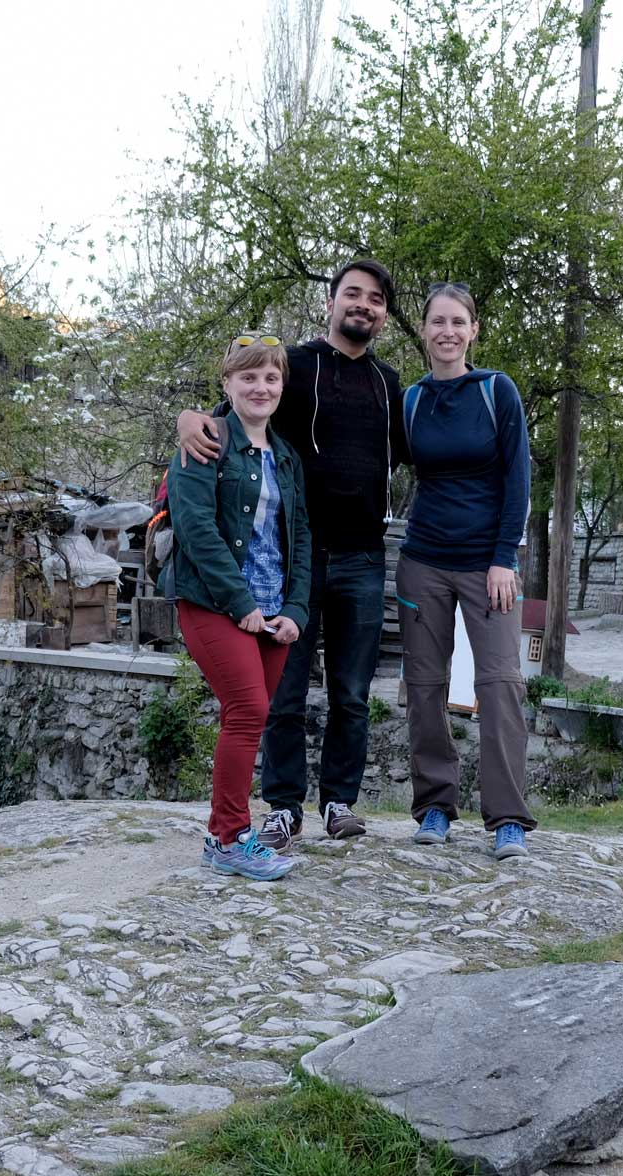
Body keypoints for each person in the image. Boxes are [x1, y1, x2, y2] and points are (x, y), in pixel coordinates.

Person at [176, 261, 406, 851]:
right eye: (352, 294)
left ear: (383, 313)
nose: (363, 305)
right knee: (283, 694)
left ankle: (338, 802)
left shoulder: (389, 383)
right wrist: (189, 418)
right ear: (330, 302)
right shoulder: (297, 365)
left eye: (375, 299)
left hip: (361, 556)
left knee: (352, 693)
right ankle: (282, 807)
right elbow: (240, 397)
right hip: (291, 557)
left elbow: (415, 452)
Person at [396, 283, 534, 860]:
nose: (447, 332)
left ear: (473, 330)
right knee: (425, 687)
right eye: (437, 322)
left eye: (458, 322)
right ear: (423, 330)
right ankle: (434, 807)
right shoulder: (410, 401)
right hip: (422, 561)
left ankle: (507, 818)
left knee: (498, 684)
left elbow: (519, 476)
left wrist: (504, 557)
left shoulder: (495, 391)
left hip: (488, 566)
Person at [167, 334, 310, 881]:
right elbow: (196, 530)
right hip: (212, 601)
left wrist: (295, 609)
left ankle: (222, 834)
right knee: (249, 708)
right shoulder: (205, 440)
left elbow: (299, 537)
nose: (261, 387)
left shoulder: (288, 456)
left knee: (248, 717)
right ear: (227, 383)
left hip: (274, 610)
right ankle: (229, 837)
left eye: (270, 377)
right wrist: (240, 602)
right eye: (248, 376)